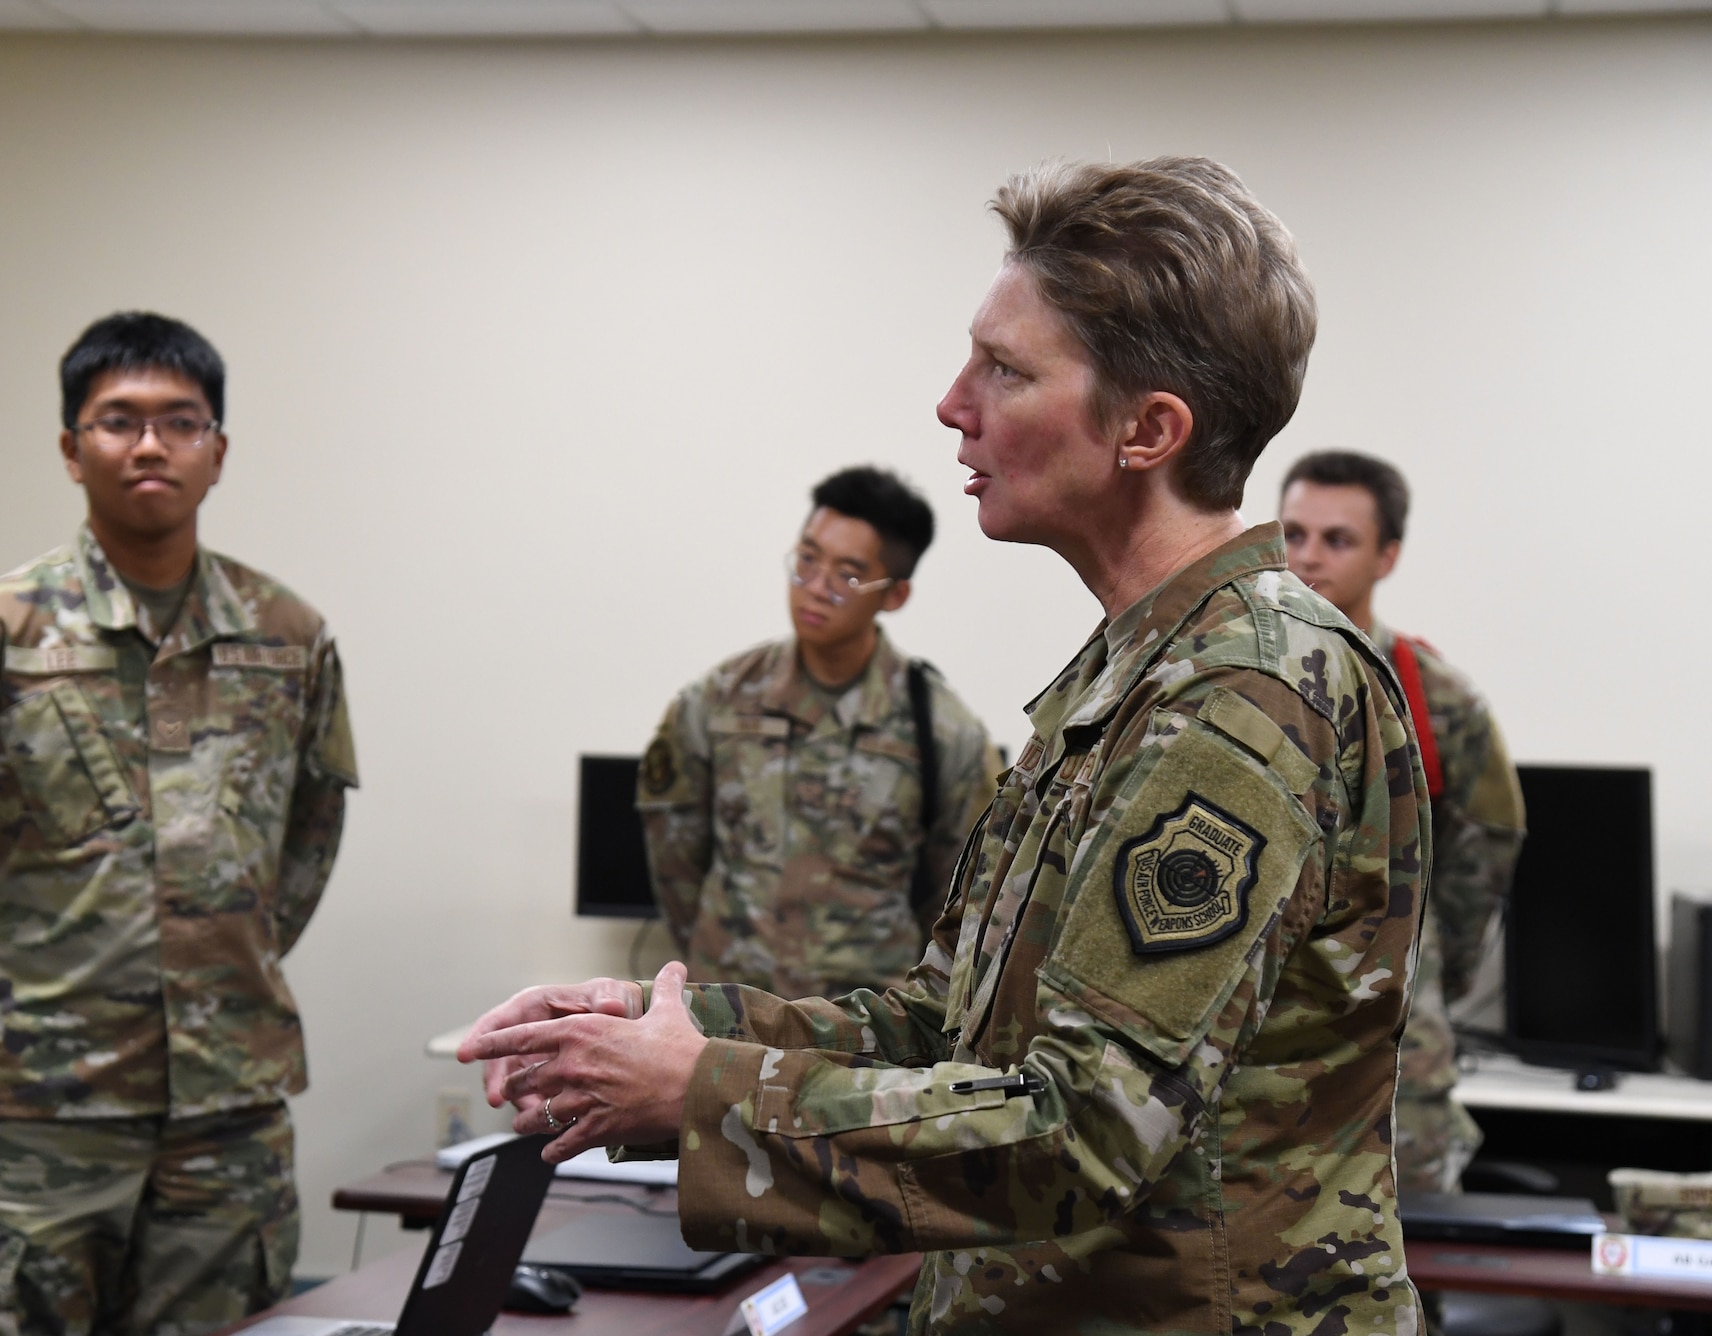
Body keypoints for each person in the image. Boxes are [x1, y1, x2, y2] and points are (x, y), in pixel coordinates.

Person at [461, 156, 1431, 1335]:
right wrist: (677, 1029)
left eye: (1003, 369)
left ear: (1147, 430)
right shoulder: (1138, 671)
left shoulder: (1244, 691)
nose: (950, 403)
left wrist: (701, 1094)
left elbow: (1082, 1130)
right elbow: (944, 1030)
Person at [0, 312, 359, 1336]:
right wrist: (13, 1003)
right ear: (69, 448)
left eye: (179, 422)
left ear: (217, 452)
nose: (147, 445)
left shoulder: (289, 637)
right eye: (116, 421)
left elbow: (305, 841)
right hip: (36, 1111)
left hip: (224, 1118)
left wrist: (219, 970)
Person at [637, 465, 999, 998]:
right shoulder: (718, 700)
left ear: (894, 595)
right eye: (807, 560)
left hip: (861, 1036)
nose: (814, 589)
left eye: (848, 575)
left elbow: (957, 896)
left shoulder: (945, 733)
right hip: (727, 1014)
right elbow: (675, 851)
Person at [1282, 449, 1526, 1195]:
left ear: (1387, 555)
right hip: (1249, 1055)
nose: (1308, 557)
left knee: (1412, 1270)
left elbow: (1482, 860)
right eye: (1292, 533)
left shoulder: (1436, 698)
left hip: (1391, 1055)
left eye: (1337, 539)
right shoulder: (1227, 677)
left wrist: (1420, 975)